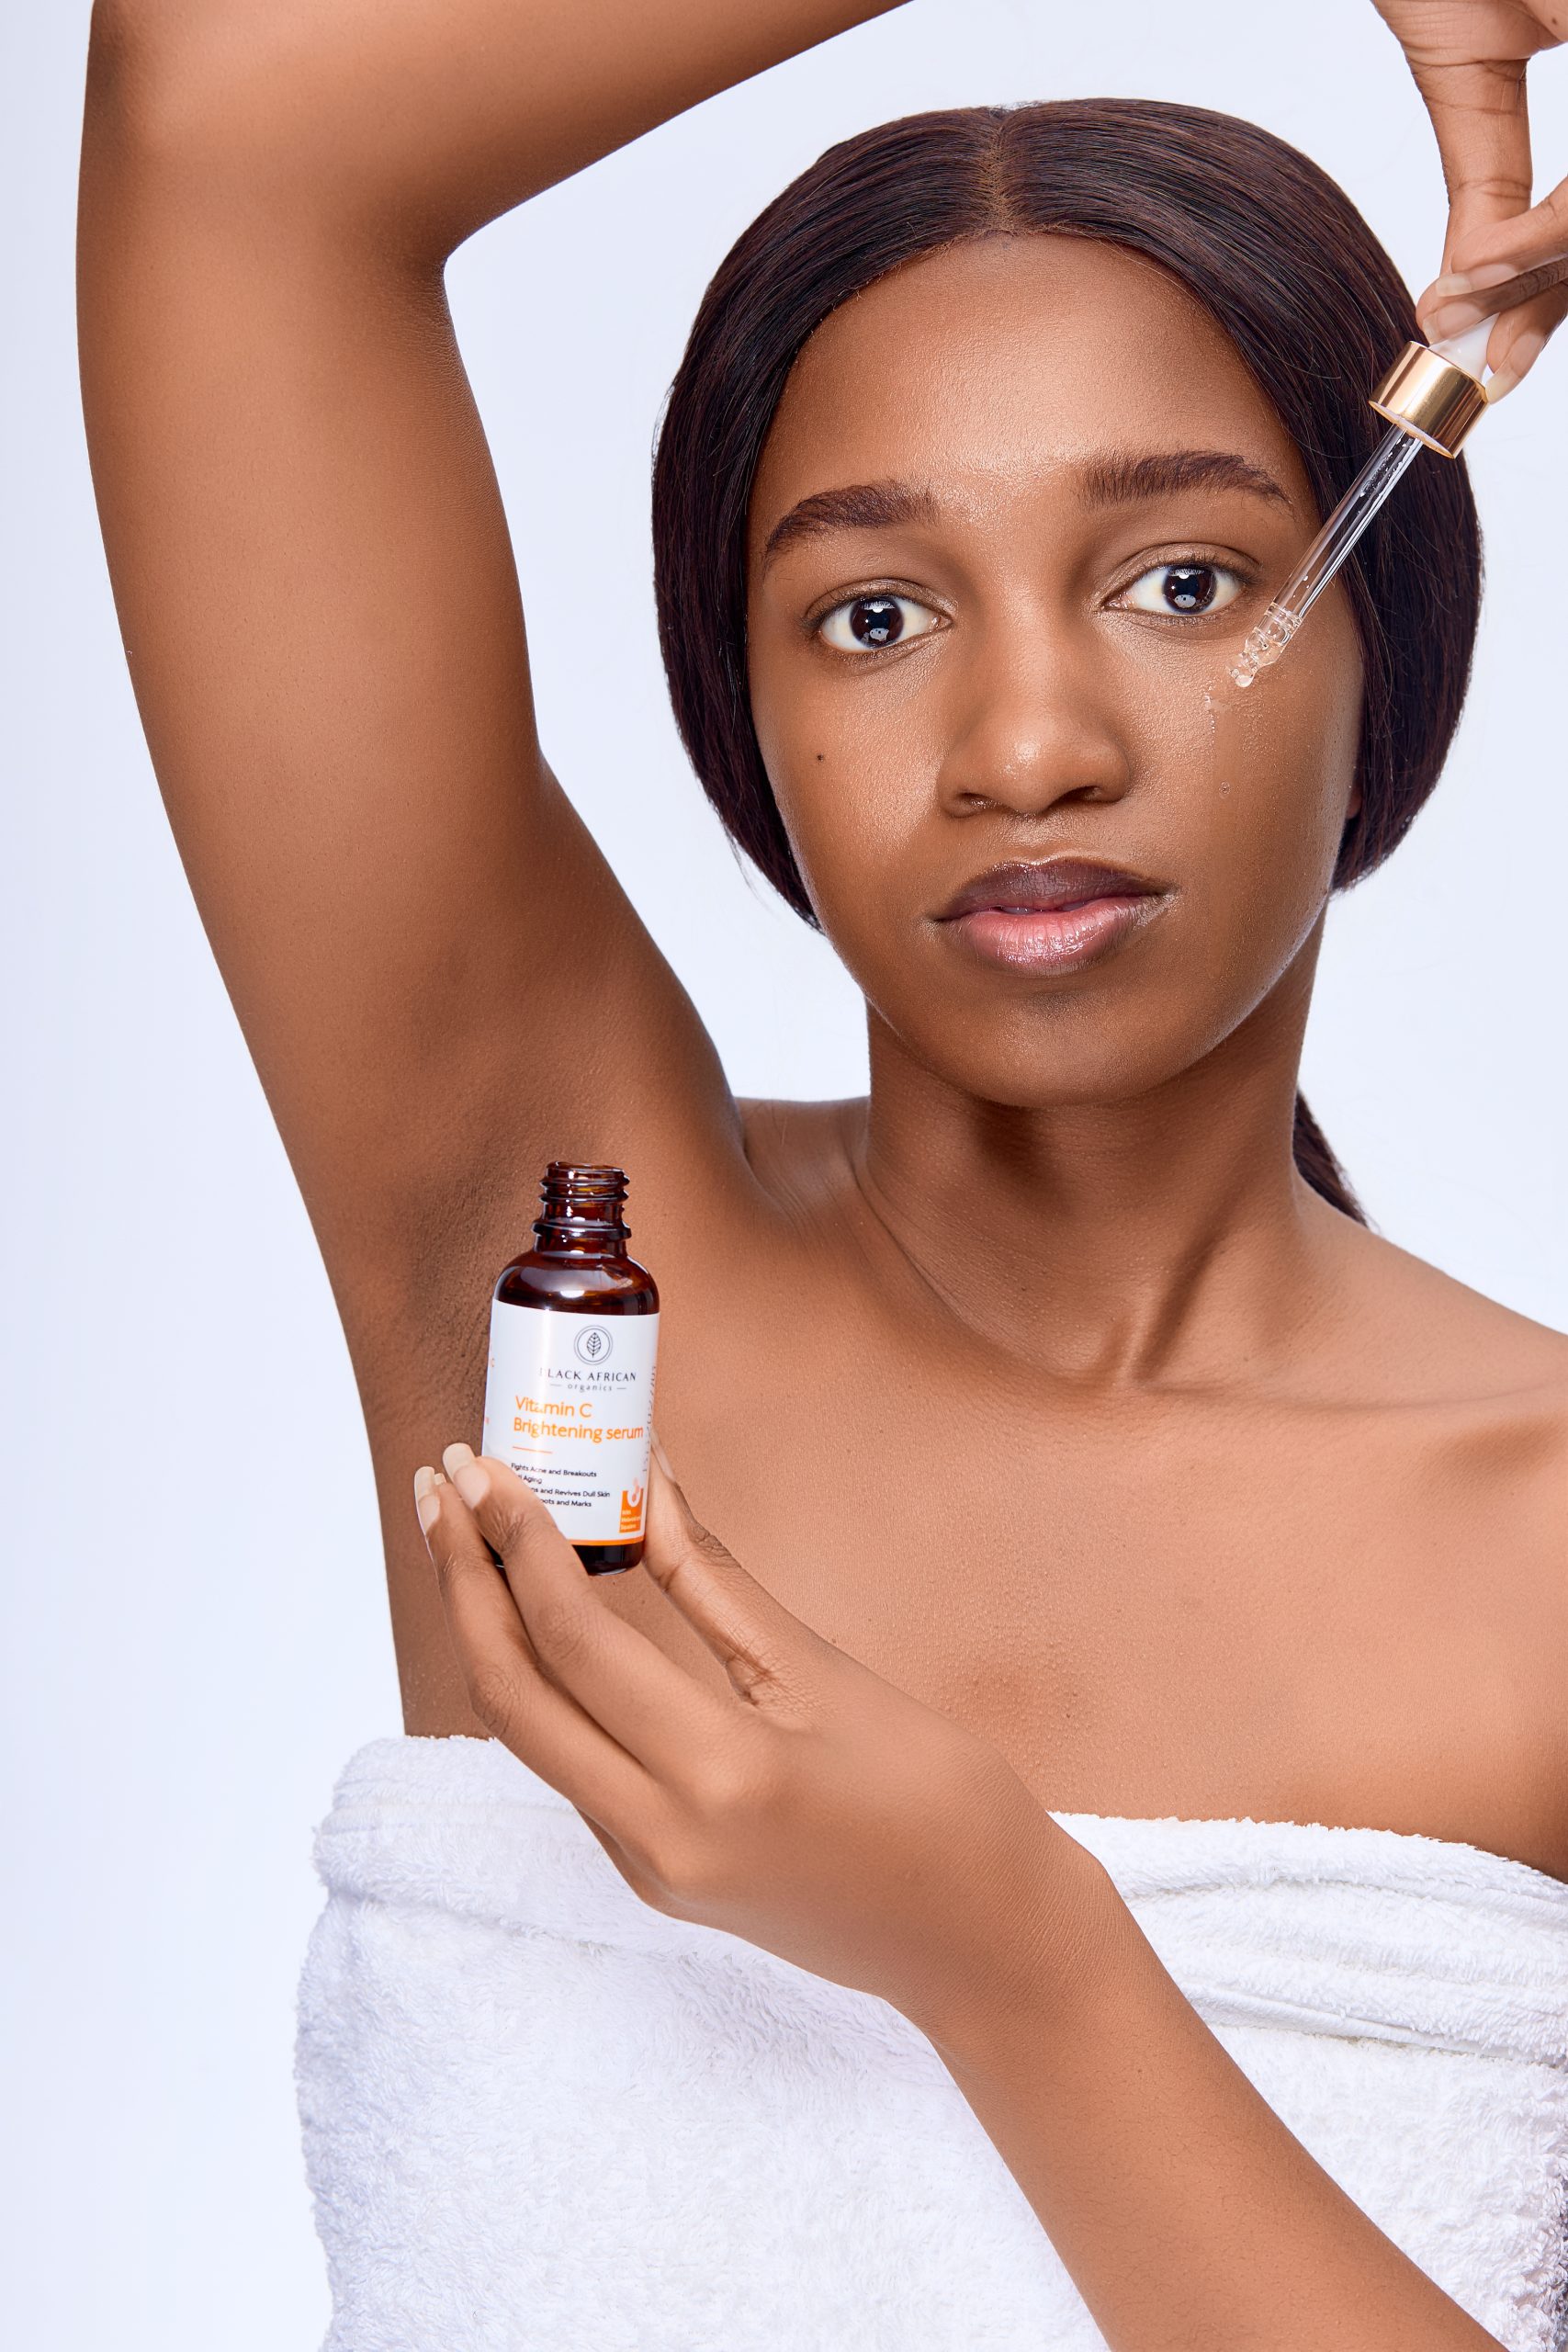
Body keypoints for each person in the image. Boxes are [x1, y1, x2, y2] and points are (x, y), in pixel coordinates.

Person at [78, 3, 1568, 2346]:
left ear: (1380, 635)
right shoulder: (561, 1273)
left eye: (1178, 581)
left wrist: (1008, 1950)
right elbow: (222, 120)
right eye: (874, 615)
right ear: (739, 709)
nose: (1025, 747)